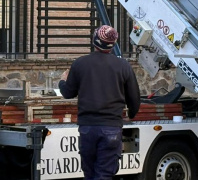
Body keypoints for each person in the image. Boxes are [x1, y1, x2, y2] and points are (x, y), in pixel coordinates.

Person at [58, 25, 141, 180]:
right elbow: (135, 98)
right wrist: (132, 114)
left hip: (87, 128)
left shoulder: (80, 64)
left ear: (94, 41)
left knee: (89, 175)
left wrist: (62, 81)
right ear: (113, 44)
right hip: (111, 128)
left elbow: (68, 93)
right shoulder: (123, 66)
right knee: (104, 174)